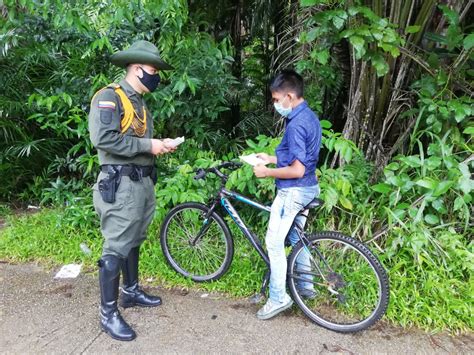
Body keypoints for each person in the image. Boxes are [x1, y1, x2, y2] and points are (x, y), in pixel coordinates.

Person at [88, 40, 176, 341]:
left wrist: (157, 146)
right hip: (120, 184)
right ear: (136, 69)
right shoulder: (109, 97)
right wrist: (148, 145)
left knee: (134, 238)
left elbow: (137, 142)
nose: (156, 77)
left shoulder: (140, 102)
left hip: (141, 182)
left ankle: (131, 291)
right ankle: (108, 314)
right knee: (116, 246)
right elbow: (104, 140)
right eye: (153, 71)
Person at [253, 69, 322, 320]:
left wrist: (266, 173)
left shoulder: (296, 124)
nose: (275, 104)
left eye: (275, 99)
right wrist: (271, 158)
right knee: (296, 238)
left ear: (289, 96)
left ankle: (278, 297)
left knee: (274, 243)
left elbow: (296, 169)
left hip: (293, 191)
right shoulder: (308, 116)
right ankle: (306, 287)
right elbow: (299, 156)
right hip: (309, 186)